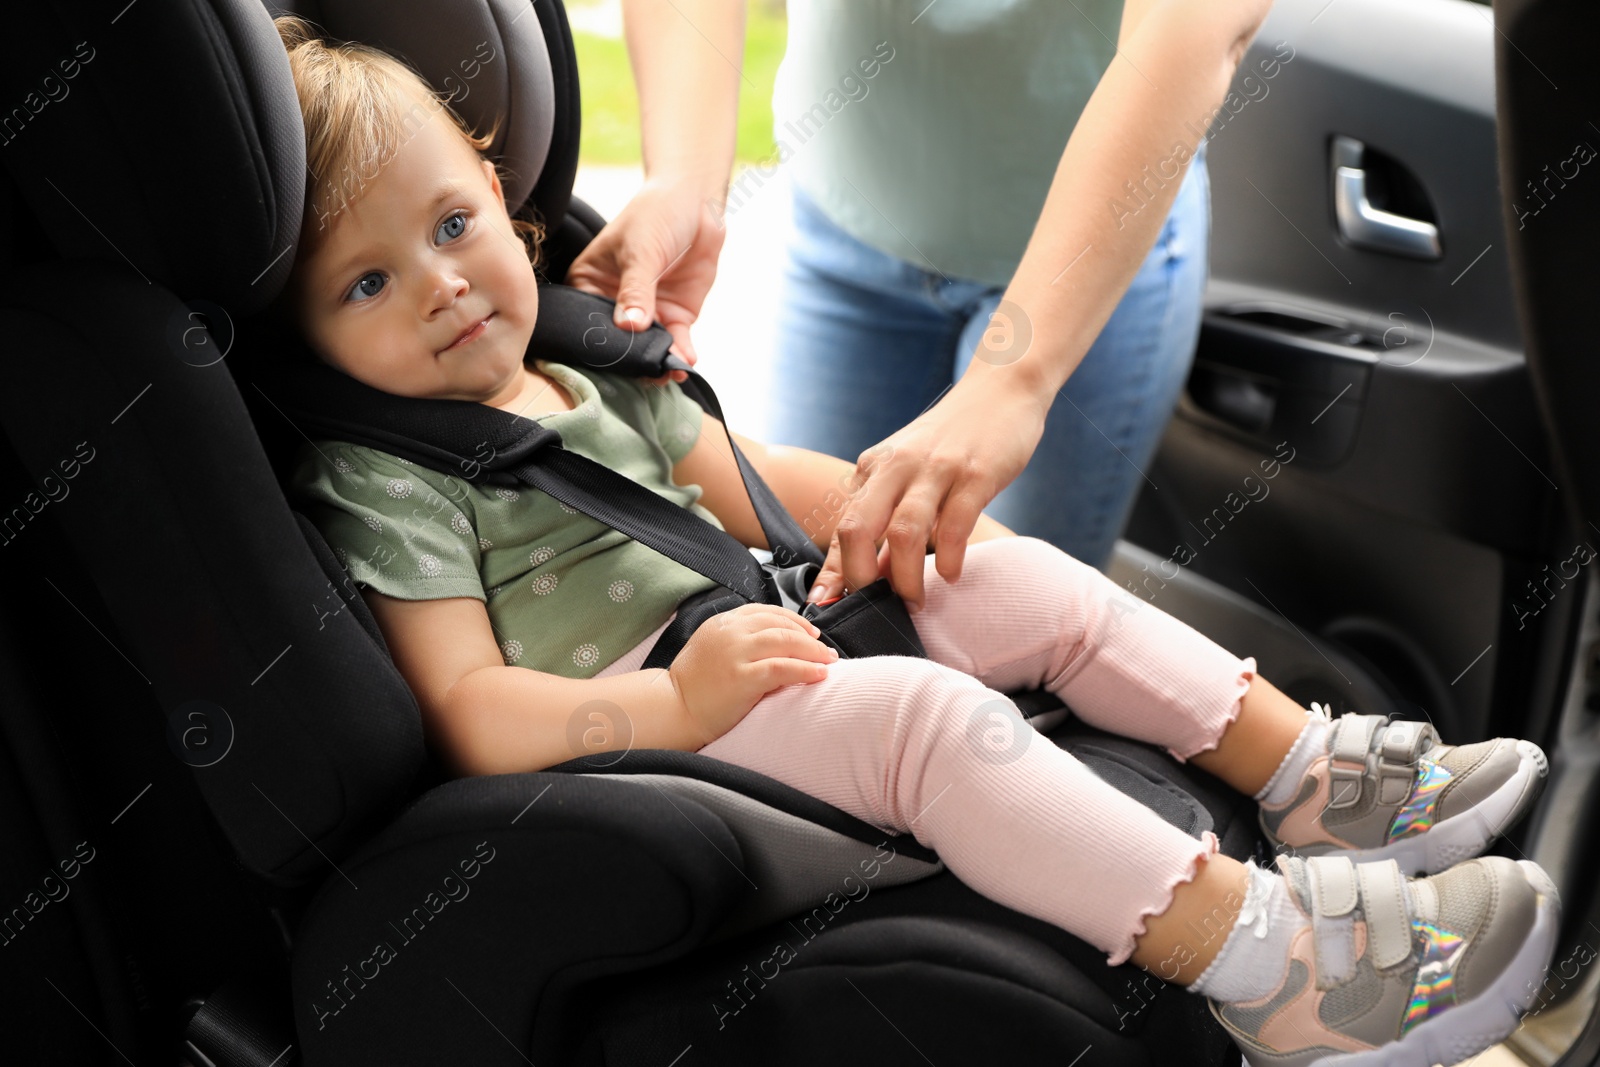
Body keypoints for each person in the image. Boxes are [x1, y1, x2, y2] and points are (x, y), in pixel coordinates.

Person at [270, 20, 1559, 1065]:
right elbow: (468, 712)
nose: (439, 285)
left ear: (502, 198)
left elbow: (756, 486)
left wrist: (894, 517)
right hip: (641, 715)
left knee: (1008, 571)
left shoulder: (583, 364)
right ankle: (1279, 968)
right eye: (366, 283)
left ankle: (1314, 782)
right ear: (304, 330)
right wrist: (673, 699)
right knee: (928, 724)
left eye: (449, 228)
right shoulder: (385, 476)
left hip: (750, 628)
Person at [568, 0, 1270, 611]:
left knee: (1020, 641)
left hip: (1081, 271)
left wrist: (1014, 378)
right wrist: (686, 180)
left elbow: (1193, 25)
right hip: (848, 228)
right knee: (817, 601)